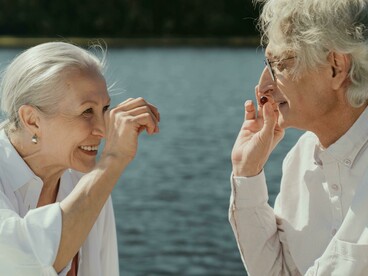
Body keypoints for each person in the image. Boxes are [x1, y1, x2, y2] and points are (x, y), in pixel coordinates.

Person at [229, 0, 368, 275]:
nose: (263, 88)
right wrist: (246, 173)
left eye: (279, 65)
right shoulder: (300, 159)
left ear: (336, 67)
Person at [0, 42, 160, 275]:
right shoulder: (99, 177)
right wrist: (113, 159)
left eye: (105, 109)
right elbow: (27, 263)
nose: (104, 131)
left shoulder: (87, 179)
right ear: (32, 119)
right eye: (87, 111)